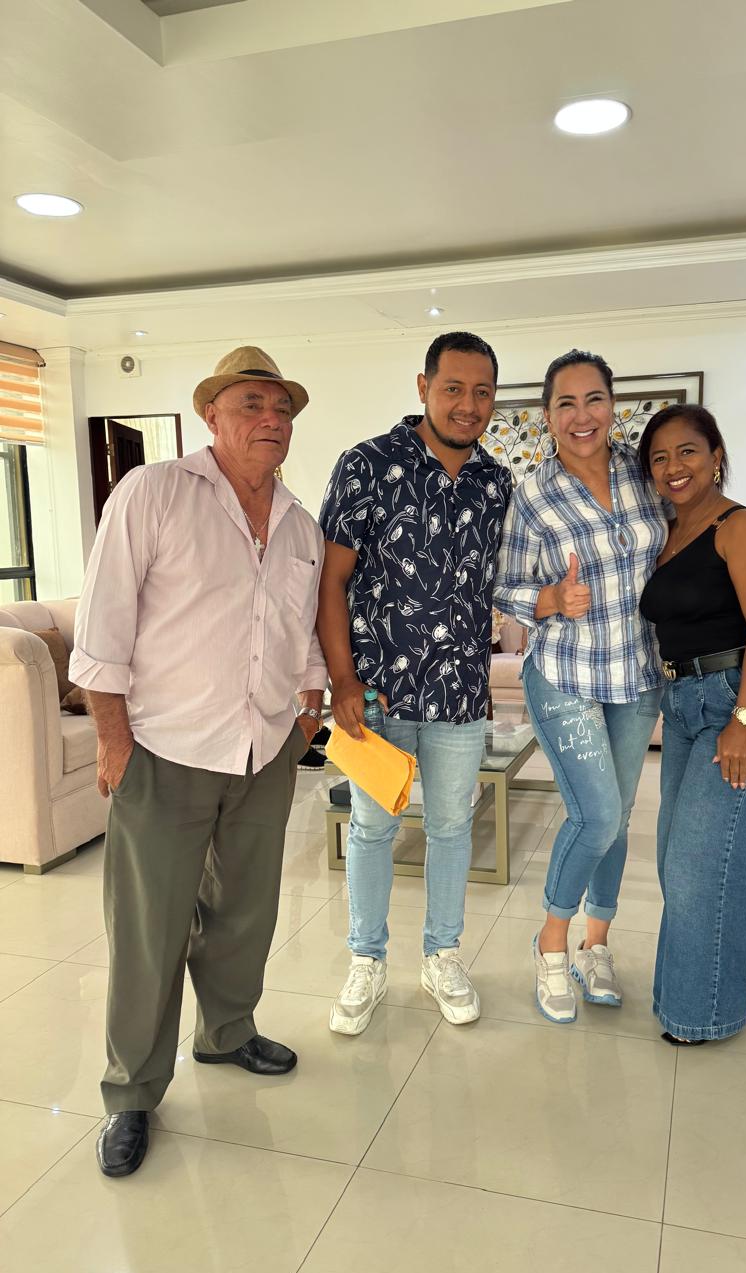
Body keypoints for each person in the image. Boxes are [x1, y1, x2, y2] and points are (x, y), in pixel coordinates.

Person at [70, 346, 327, 1178]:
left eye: (282, 409)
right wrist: (114, 740)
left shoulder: (300, 523)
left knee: (246, 911)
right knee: (149, 931)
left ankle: (227, 1033)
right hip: (163, 748)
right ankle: (133, 1090)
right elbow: (102, 629)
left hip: (265, 748)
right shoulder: (153, 493)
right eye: (253, 404)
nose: (271, 420)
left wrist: (308, 709)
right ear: (211, 414)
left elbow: (299, 634)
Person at [318, 331, 511, 1034]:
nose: (468, 405)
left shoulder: (495, 483)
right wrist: (342, 680)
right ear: (424, 386)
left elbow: (496, 581)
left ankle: (442, 955)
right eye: (453, 388)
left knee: (453, 826)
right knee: (373, 829)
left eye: (482, 392)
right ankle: (366, 961)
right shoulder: (367, 465)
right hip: (377, 693)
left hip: (460, 692)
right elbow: (330, 582)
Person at [494, 350, 667, 1023]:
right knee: (595, 816)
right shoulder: (533, 494)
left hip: (637, 674)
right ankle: (551, 944)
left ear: (612, 405)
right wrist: (550, 600)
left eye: (593, 399)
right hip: (565, 673)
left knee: (618, 819)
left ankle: (597, 945)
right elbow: (504, 585)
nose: (581, 415)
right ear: (547, 416)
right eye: (565, 404)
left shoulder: (644, 474)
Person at [637, 404, 746, 1044]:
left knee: (702, 865)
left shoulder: (742, 527)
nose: (673, 467)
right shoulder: (669, 532)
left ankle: (702, 1014)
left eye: (687, 452)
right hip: (683, 707)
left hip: (739, 704)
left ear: (716, 456)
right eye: (659, 458)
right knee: (689, 860)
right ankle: (704, 997)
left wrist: (745, 720)